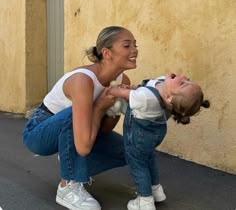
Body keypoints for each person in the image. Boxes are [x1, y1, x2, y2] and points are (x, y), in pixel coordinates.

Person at [22, 26, 138, 210]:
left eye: (135, 45)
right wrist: (100, 106)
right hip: (40, 131)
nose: (134, 51)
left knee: (131, 150)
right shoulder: (83, 80)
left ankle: (73, 164)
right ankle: (68, 186)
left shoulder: (123, 81)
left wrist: (116, 107)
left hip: (79, 128)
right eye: (127, 46)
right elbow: (84, 147)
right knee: (73, 114)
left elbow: (105, 130)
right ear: (107, 53)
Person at [108, 73, 210, 210]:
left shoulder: (146, 97)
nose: (183, 76)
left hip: (139, 135)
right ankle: (156, 190)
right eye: (187, 80)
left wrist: (109, 90)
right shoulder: (163, 91)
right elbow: (141, 90)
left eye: (182, 83)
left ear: (168, 98)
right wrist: (134, 88)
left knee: (137, 164)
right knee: (149, 158)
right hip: (155, 133)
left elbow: (122, 93)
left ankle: (144, 200)